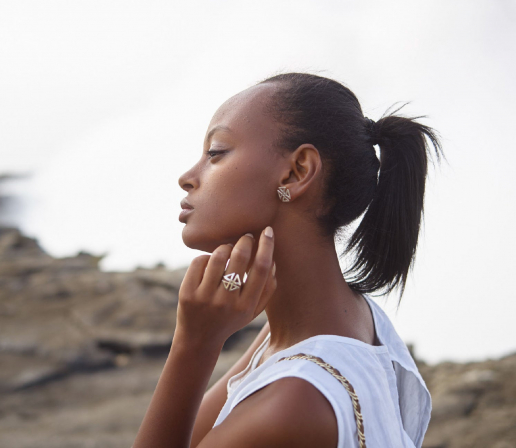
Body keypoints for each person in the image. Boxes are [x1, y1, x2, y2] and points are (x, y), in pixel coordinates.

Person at [133, 72, 442, 448]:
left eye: (215, 152)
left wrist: (194, 344)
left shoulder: (292, 404)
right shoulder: (345, 323)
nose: (188, 178)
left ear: (297, 172)